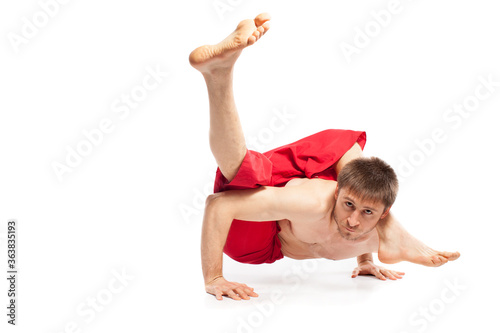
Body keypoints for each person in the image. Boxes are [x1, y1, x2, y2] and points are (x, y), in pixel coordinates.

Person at [189, 13, 460, 301]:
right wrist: (214, 278)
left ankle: (218, 74)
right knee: (247, 172)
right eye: (348, 204)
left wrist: (366, 261)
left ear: (384, 215)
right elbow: (217, 205)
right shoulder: (315, 201)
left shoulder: (374, 230)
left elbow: (364, 208)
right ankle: (219, 76)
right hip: (256, 229)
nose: (353, 220)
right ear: (338, 192)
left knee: (358, 180)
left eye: (367, 212)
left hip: (262, 253)